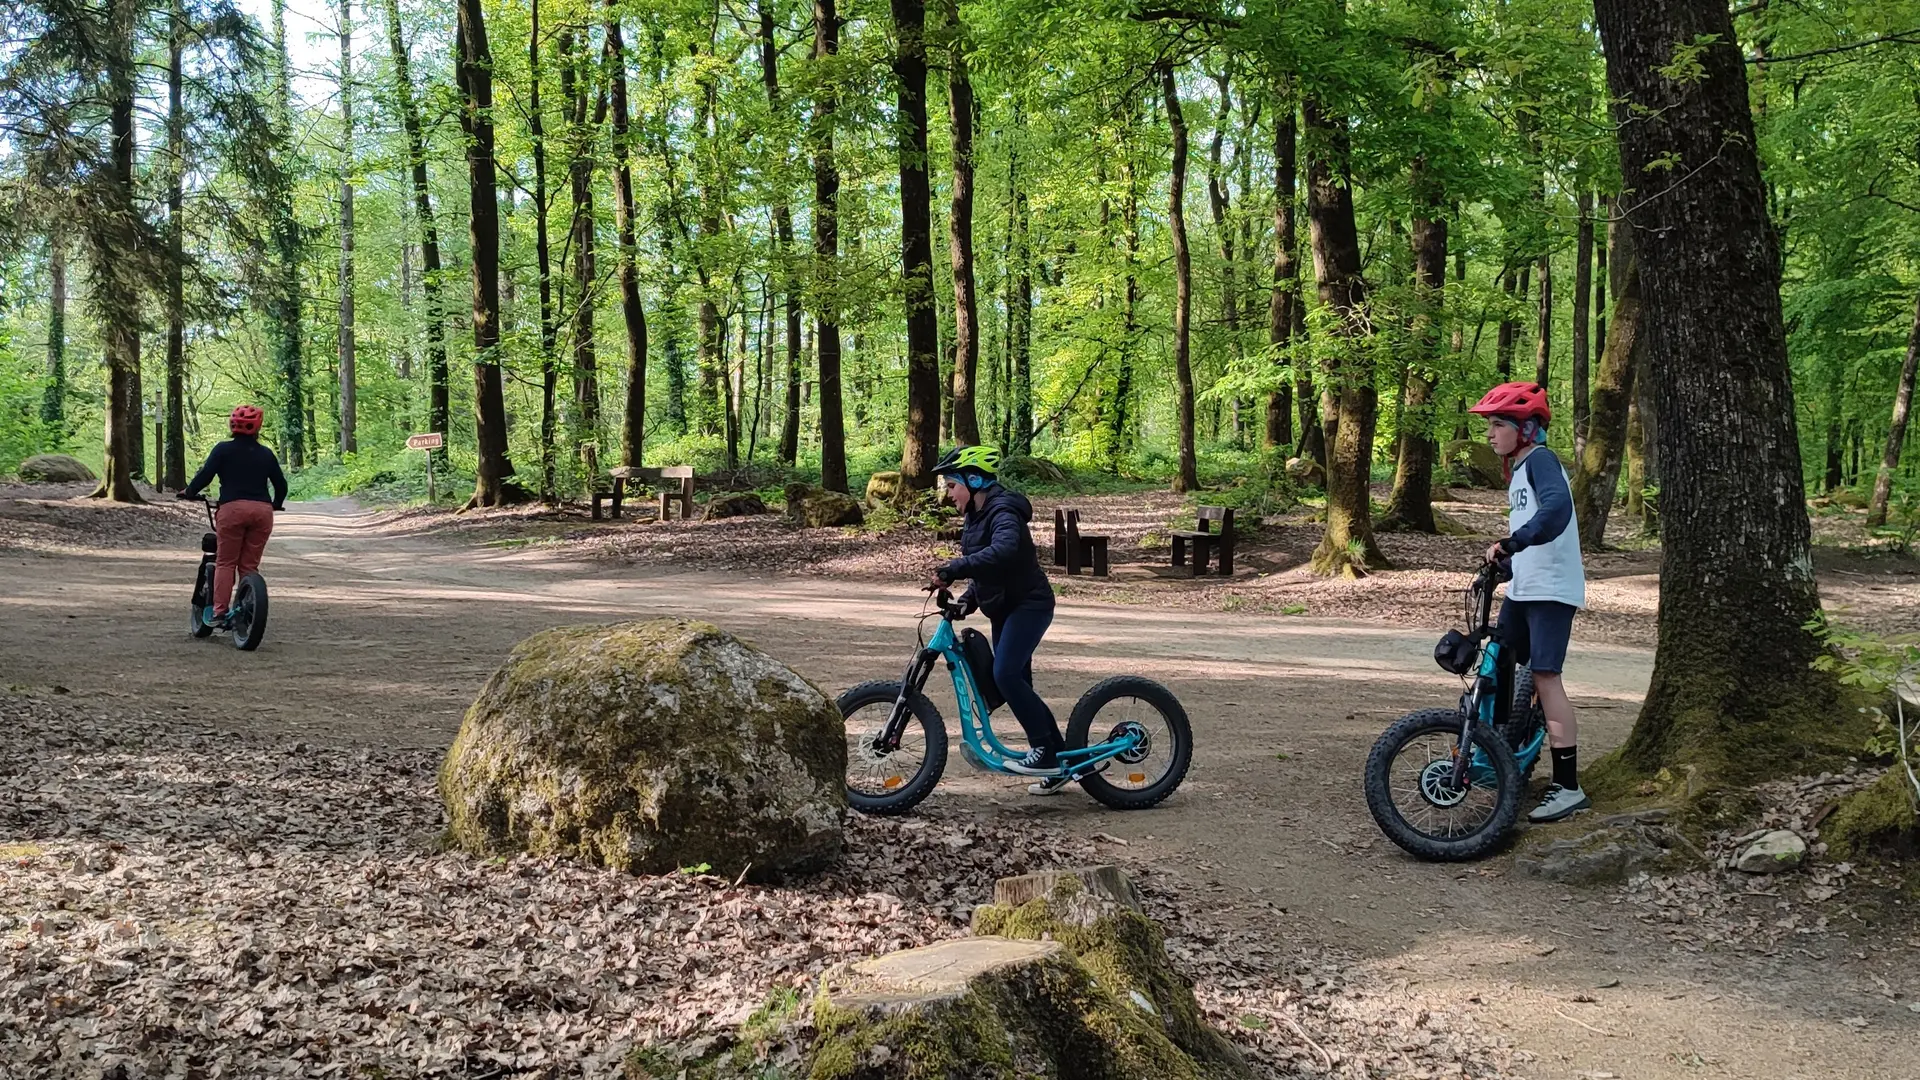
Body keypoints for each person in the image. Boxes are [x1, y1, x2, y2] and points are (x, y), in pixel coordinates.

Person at [1467, 382, 1590, 823]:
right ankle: (1496, 752)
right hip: (1526, 588)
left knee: (1545, 677)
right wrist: (1507, 564)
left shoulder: (1541, 460)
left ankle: (1567, 786)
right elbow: (1531, 537)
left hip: (1553, 591)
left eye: (1498, 425)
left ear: (1527, 428)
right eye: (1490, 426)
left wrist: (1512, 542)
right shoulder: (1518, 470)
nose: (1490, 434)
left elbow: (1555, 514)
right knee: (1497, 657)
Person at [926, 445, 1071, 796]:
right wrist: (966, 601)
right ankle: (1058, 759)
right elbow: (987, 567)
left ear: (973, 480)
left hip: (1029, 604)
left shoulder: (1004, 511)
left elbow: (1004, 551)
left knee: (1005, 674)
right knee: (1015, 682)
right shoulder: (976, 516)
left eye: (951, 485)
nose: (948, 494)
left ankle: (1046, 753)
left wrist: (954, 568)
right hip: (1005, 605)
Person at [182, 405, 287, 627]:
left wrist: (189, 492)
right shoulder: (266, 454)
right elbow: (281, 485)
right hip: (262, 512)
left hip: (231, 510)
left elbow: (205, 476)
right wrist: (276, 504)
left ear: (232, 426)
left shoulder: (222, 450)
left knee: (226, 561)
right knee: (249, 565)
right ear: (258, 427)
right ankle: (248, 604)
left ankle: (219, 612)